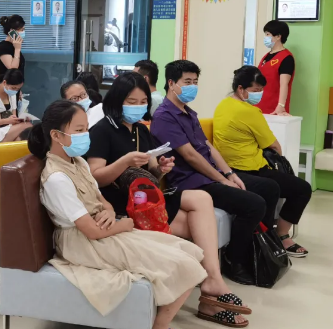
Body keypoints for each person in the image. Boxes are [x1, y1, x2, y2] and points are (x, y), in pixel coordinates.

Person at [30, 100, 208, 329]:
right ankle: (160, 326)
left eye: (86, 129)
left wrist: (109, 210)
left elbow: (101, 199)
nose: (86, 135)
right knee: (184, 265)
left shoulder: (79, 162)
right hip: (83, 243)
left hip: (105, 230)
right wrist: (124, 224)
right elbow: (91, 231)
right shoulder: (57, 178)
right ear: (56, 135)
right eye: (79, 130)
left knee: (190, 252)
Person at [87, 72, 250, 324]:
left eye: (143, 101)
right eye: (131, 101)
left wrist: (160, 169)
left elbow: (149, 172)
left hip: (147, 199)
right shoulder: (102, 130)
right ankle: (210, 292)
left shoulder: (141, 130)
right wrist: (124, 162)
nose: (138, 106)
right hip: (123, 205)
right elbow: (96, 178)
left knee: (202, 199)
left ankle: (212, 281)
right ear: (117, 100)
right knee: (196, 227)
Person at [151, 60, 280, 285]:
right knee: (254, 204)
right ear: (171, 83)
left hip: (211, 176)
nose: (192, 86)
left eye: (195, 82)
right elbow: (191, 156)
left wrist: (229, 174)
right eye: (187, 82)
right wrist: (222, 180)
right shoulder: (164, 117)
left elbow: (208, 147)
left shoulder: (189, 113)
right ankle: (235, 261)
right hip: (192, 182)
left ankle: (261, 247)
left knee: (269, 188)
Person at [214, 66, 311, 257]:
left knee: (280, 185)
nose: (259, 94)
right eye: (256, 90)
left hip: (229, 167)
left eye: (261, 90)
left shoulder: (223, 105)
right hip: (248, 169)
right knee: (302, 189)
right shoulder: (249, 112)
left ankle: (274, 235)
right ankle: (281, 236)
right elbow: (274, 146)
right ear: (241, 89)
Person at [257, 20, 295, 115]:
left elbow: (284, 84)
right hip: (260, 105)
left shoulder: (286, 58)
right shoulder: (266, 56)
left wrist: (281, 106)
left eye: (268, 34)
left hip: (274, 109)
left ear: (278, 36)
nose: (265, 37)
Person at [0, 15, 26, 82]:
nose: (23, 32)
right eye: (22, 30)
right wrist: (17, 49)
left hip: (15, 85)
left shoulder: (14, 45)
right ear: (12, 31)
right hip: (4, 85)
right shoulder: (3, 46)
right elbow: (13, 69)